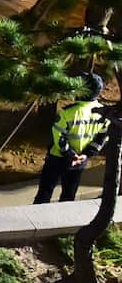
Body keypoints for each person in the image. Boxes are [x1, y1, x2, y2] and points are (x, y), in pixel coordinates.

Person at [34, 73, 108, 204]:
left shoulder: (68, 113)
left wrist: (70, 154)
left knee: (44, 193)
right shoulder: (103, 113)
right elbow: (101, 139)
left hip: (57, 158)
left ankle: (36, 219)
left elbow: (59, 137)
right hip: (80, 161)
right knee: (69, 195)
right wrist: (86, 155)